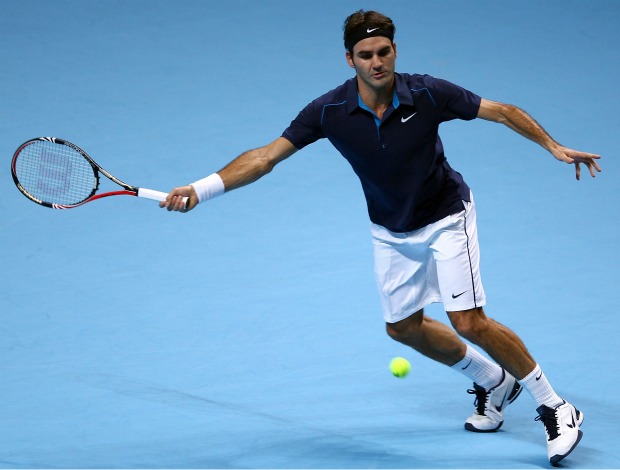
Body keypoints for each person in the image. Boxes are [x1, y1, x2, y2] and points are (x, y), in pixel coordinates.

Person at [160, 10, 601, 466]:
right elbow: (265, 158)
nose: (377, 63)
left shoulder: (429, 92)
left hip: (446, 216)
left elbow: (502, 112)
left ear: (395, 51)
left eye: (384, 52)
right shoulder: (328, 111)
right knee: (403, 328)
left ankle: (554, 405)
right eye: (366, 55)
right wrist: (202, 189)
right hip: (391, 230)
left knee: (468, 321)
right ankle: (494, 379)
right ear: (348, 59)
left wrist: (554, 146)